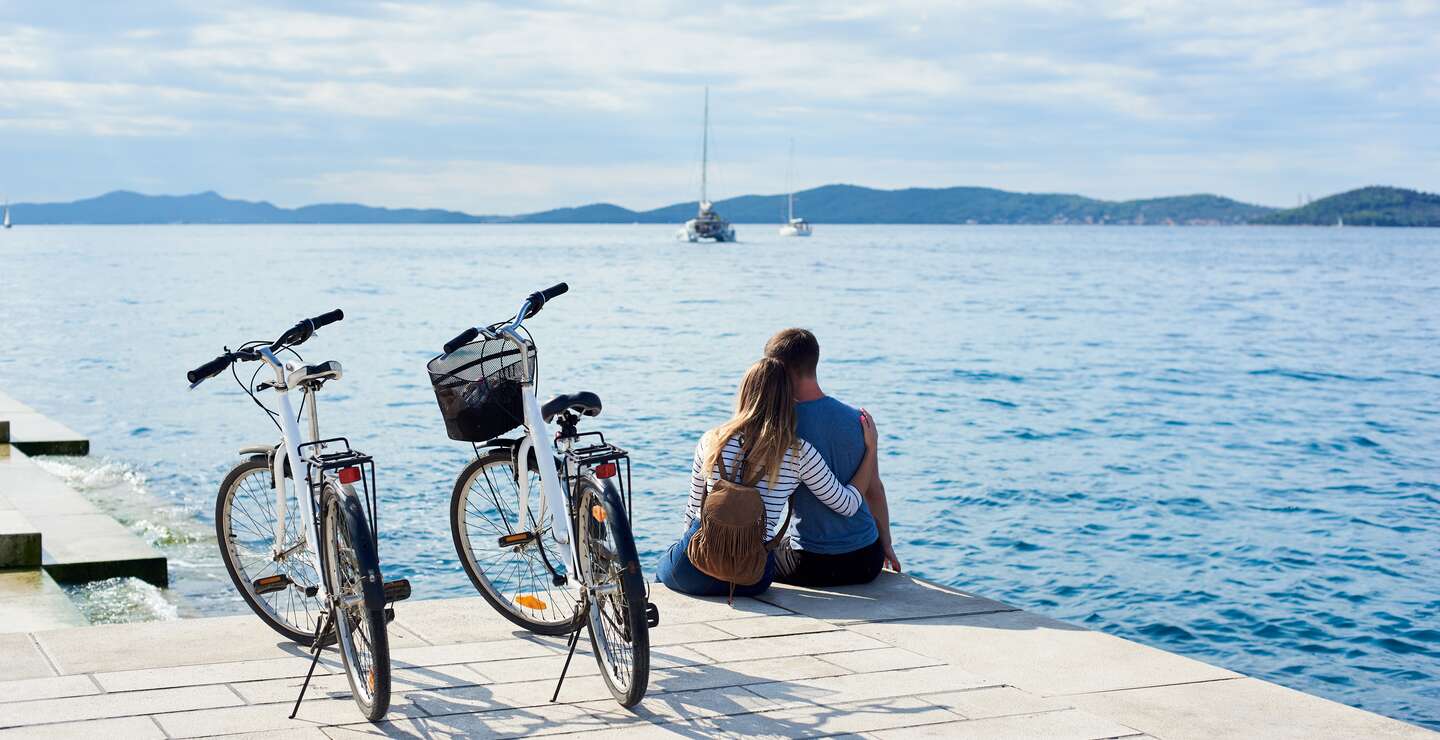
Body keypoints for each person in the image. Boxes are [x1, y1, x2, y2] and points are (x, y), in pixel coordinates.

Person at [656, 357, 879, 597]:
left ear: (744, 392)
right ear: (788, 399)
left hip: (694, 569)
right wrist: (871, 450)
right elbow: (846, 505)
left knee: (663, 571)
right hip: (752, 577)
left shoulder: (712, 440)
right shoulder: (798, 452)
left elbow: (692, 514)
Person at [765, 328, 903, 587]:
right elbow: (875, 490)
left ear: (779, 370)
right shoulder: (859, 421)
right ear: (813, 362)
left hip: (808, 564)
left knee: (769, 552)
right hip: (865, 562)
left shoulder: (781, 427)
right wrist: (886, 545)